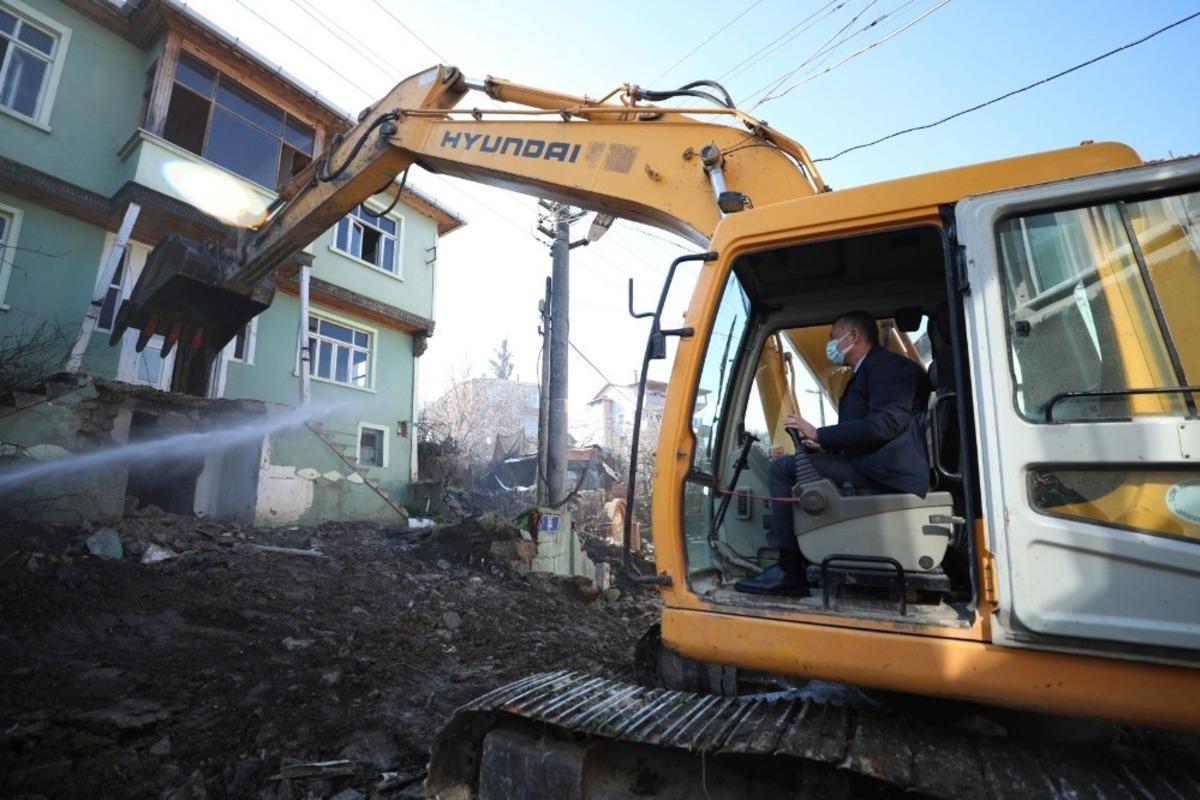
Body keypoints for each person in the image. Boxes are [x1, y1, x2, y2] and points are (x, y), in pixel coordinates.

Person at [736, 310, 932, 596]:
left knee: (782, 470)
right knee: (797, 463)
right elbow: (864, 429)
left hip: (885, 470)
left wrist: (818, 433)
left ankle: (788, 570)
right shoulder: (868, 371)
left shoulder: (890, 368)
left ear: (853, 337)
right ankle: (803, 556)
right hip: (871, 460)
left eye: (832, 338)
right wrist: (824, 445)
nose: (830, 345)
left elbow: (885, 424)